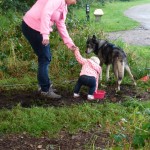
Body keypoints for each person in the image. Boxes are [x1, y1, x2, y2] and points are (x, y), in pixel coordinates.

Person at [21, 0, 79, 99]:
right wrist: (45, 34)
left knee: (44, 57)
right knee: (45, 58)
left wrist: (70, 44)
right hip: (33, 27)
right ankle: (45, 90)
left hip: (36, 28)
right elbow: (46, 13)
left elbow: (61, 25)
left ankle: (43, 85)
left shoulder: (64, 6)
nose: (76, 1)